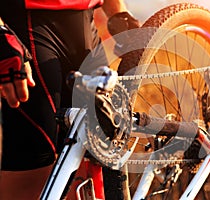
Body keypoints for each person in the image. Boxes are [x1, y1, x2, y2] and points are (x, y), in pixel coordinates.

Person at [0, 0, 139, 199]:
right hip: (29, 31)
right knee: (33, 179)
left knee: (87, 178)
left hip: (87, 30)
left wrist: (118, 13)